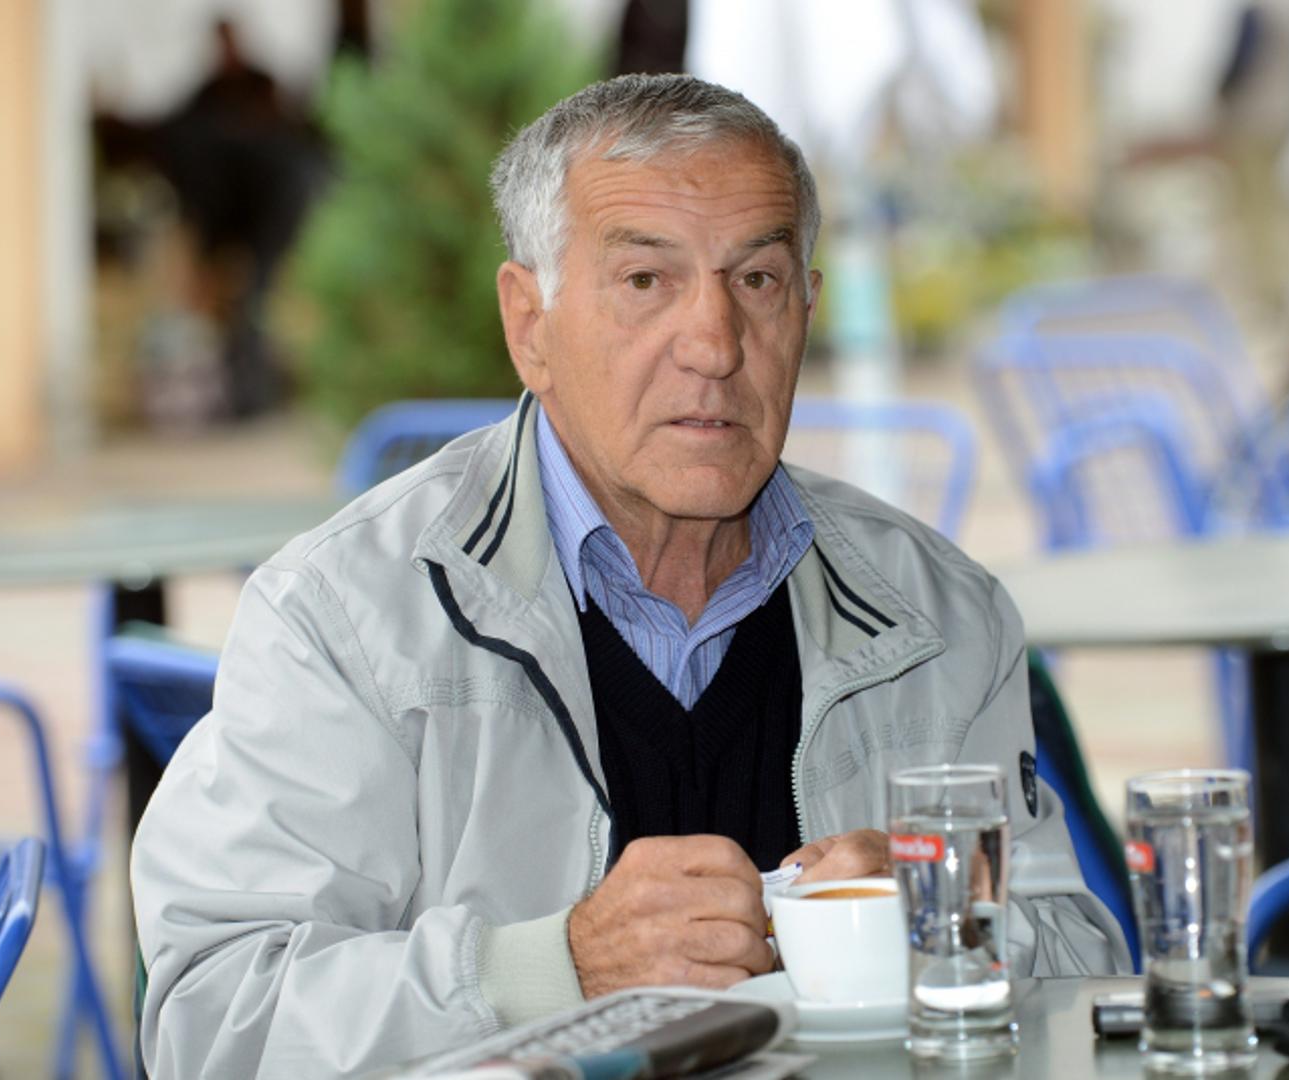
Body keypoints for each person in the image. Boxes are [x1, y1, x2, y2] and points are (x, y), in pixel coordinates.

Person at [131, 74, 1130, 1078]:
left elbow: (1082, 970)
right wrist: (549, 968)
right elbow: (217, 1022)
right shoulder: (347, 613)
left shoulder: (940, 615)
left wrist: (943, 919)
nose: (714, 345)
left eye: (757, 280)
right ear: (530, 326)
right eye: (645, 280)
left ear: (805, 310)